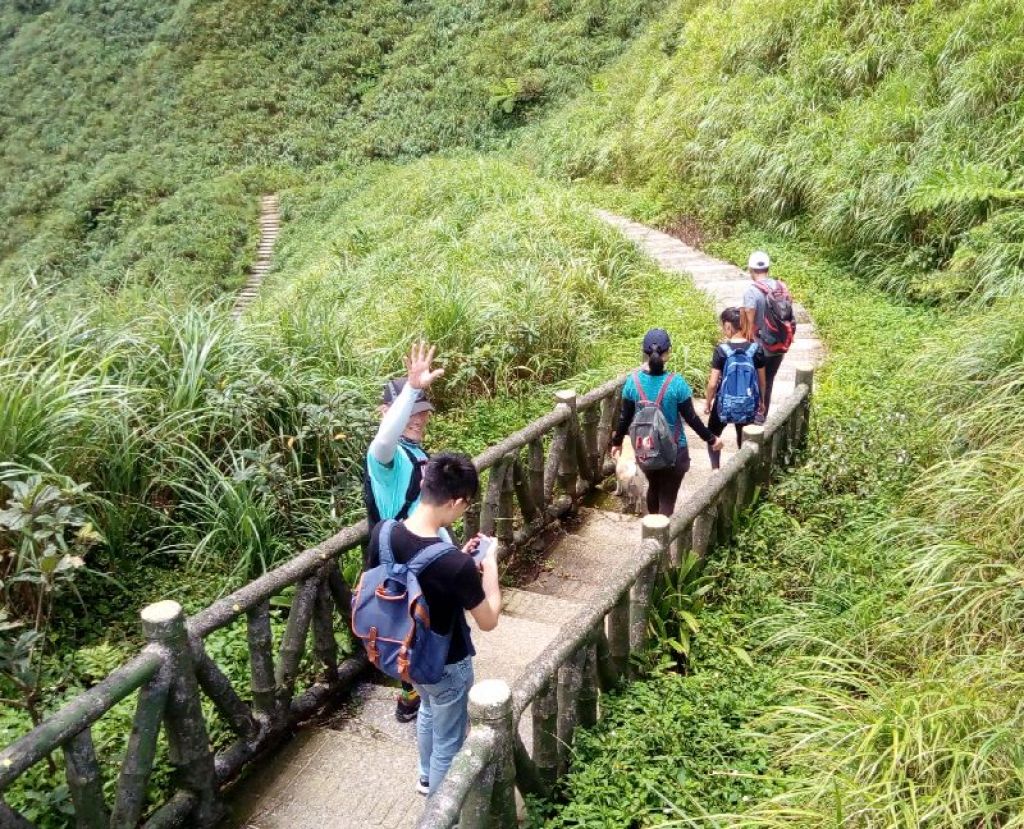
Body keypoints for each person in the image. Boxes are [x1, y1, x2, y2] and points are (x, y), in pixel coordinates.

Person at [363, 453, 501, 796]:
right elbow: (489, 619)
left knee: (426, 708)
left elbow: (410, 573)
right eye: (465, 506)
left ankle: (425, 777)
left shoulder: (384, 532)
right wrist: (491, 565)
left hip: (404, 652)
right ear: (456, 502)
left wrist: (462, 561)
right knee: (450, 743)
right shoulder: (455, 565)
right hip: (446, 662)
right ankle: (441, 813)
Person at [364, 340, 444, 723]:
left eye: (422, 410)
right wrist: (412, 389)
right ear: (387, 412)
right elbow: (384, 438)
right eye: (409, 411)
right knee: (410, 624)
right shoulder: (385, 456)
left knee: (425, 623)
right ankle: (413, 695)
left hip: (425, 551)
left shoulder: (416, 453)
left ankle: (419, 691)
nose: (417, 417)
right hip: (402, 556)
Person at [609, 328, 723, 517]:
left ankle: (652, 533)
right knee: (668, 497)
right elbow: (692, 419)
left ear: (643, 352)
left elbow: (625, 417)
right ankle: (661, 539)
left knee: (653, 485)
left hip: (645, 449)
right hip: (675, 451)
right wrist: (712, 440)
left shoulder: (632, 382)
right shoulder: (676, 383)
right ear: (668, 353)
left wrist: (617, 442)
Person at [704, 307, 767, 470]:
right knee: (744, 437)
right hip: (747, 403)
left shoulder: (721, 351)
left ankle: (715, 469)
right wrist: (762, 401)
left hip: (723, 403)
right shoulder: (756, 349)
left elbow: (712, 383)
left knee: (712, 434)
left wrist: (708, 402)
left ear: (728, 326)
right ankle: (743, 468)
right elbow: (762, 382)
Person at [740, 250, 794, 418]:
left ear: (751, 270)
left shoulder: (751, 291)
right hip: (780, 343)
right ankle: (763, 418)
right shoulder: (782, 287)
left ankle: (754, 418)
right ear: (768, 268)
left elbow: (748, 326)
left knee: (756, 382)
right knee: (768, 382)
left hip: (761, 347)